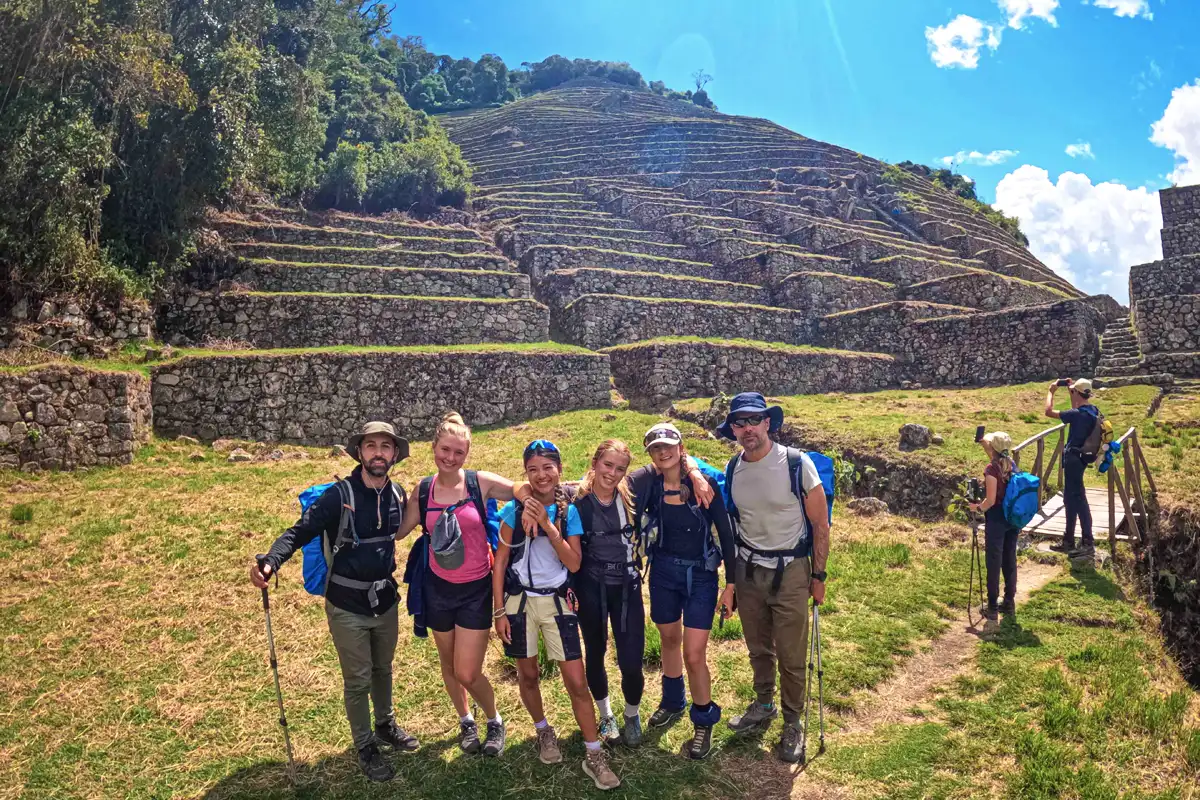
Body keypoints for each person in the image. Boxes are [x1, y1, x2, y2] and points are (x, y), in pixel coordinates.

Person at [249, 422, 420, 783]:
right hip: (346, 605)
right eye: (371, 445)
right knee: (358, 679)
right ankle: (365, 745)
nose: (378, 453)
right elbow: (299, 532)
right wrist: (270, 560)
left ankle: (386, 725)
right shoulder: (338, 496)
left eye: (385, 447)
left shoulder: (397, 494)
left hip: (385, 601)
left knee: (383, 668)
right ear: (359, 452)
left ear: (394, 455)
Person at [396, 412, 531, 758]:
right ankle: (465, 719)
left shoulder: (478, 483)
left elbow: (518, 487)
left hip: (475, 590)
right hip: (437, 588)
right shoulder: (423, 491)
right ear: (434, 448)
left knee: (467, 671)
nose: (450, 458)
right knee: (448, 662)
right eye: (445, 449)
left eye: (458, 452)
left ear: (467, 453)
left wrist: (530, 499)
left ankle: (494, 719)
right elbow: (397, 530)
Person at [492, 439, 621, 791]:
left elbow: (574, 561)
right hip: (519, 604)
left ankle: (593, 753)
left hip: (557, 603)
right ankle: (543, 730)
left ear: (559, 470)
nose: (540, 475)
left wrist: (549, 527)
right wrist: (499, 610)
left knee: (576, 682)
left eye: (548, 467)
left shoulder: (569, 513)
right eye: (532, 469)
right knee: (528, 673)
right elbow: (500, 561)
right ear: (526, 473)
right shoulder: (511, 512)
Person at [717, 392, 830, 764]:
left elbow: (819, 524)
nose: (747, 428)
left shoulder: (796, 464)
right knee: (758, 647)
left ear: (768, 422)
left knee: (792, 653)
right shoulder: (734, 468)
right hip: (749, 572)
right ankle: (764, 703)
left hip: (793, 572)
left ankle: (793, 722)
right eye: (739, 422)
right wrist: (731, 581)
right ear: (733, 428)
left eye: (754, 420)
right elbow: (734, 528)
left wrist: (819, 574)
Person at [627, 422, 734, 760]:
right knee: (669, 640)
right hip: (662, 572)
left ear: (680, 446)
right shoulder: (648, 482)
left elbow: (726, 535)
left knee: (694, 654)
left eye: (667, 445)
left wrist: (731, 585)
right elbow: (605, 483)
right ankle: (673, 700)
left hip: (701, 575)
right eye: (655, 448)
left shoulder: (704, 483)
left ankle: (703, 719)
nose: (662, 452)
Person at [572, 440, 645, 748]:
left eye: (620, 468)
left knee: (631, 660)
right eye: (607, 465)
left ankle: (632, 714)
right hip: (591, 587)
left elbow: (679, 462)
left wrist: (694, 473)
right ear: (595, 462)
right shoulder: (575, 502)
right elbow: (532, 485)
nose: (612, 473)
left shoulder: (632, 497)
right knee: (596, 651)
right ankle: (605, 714)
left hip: (627, 586)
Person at [1044, 378, 1099, 557]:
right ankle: (1069, 540)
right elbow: (1076, 407)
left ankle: (1087, 542)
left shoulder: (1077, 415)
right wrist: (1072, 390)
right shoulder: (1092, 410)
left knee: (1079, 500)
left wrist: (1051, 392)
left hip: (1073, 459)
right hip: (1082, 458)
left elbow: (1048, 411)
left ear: (1077, 393)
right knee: (1070, 498)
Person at [968, 431, 1018, 620]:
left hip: (996, 518)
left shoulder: (991, 470)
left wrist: (977, 507)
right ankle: (1009, 602)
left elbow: (990, 500)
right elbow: (995, 454)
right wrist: (985, 444)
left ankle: (991, 607)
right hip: (1012, 518)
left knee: (993, 561)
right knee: (1009, 559)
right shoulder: (1011, 464)